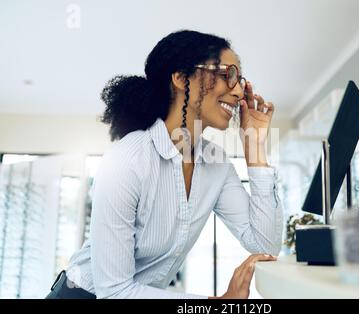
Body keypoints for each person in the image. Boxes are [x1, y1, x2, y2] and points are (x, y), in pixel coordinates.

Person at [46, 30, 282, 299]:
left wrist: (254, 148)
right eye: (227, 74)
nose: (239, 91)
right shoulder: (128, 160)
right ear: (181, 78)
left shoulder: (216, 164)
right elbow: (114, 291)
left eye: (239, 79)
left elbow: (265, 245)